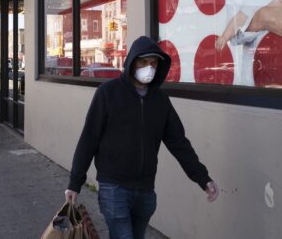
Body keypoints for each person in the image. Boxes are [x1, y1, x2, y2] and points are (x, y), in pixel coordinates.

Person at [65, 36, 219, 239]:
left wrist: (202, 178)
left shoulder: (160, 101)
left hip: (146, 190)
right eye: (143, 62)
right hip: (114, 187)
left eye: (154, 63)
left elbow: (179, 143)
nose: (149, 68)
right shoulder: (108, 93)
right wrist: (75, 182)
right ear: (132, 62)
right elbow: (89, 139)